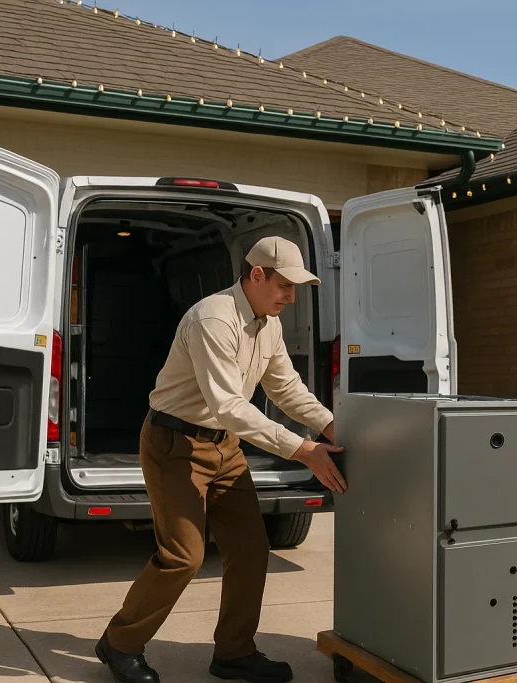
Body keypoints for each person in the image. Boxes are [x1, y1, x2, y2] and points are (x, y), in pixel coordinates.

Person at [95, 236, 345, 683]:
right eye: (284, 285)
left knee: (251, 548)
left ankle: (233, 653)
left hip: (223, 445)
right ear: (256, 275)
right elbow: (229, 404)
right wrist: (304, 449)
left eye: (295, 287)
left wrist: (331, 427)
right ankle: (120, 643)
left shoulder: (268, 324)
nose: (291, 296)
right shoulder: (213, 318)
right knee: (183, 556)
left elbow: (285, 387)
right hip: (175, 443)